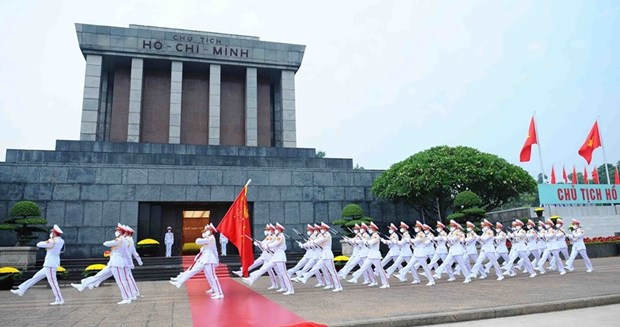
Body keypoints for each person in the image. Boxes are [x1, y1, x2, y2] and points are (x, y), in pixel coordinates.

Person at [11, 224, 65, 305]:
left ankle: (60, 299)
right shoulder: (61, 241)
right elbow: (61, 250)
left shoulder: (52, 241)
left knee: (53, 282)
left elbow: (39, 244)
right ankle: (21, 290)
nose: (51, 233)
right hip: (50, 264)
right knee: (35, 277)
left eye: (52, 232)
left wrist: (49, 239)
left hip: (50, 264)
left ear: (54, 233)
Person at [170, 224, 224, 299]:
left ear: (210, 231)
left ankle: (220, 293)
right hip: (204, 260)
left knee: (212, 277)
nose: (205, 231)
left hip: (209, 260)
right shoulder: (209, 238)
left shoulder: (211, 238)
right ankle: (179, 282)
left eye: (207, 229)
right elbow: (206, 249)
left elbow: (198, 241)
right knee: (193, 270)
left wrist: (216, 260)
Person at [243, 223, 295, 295]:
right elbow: (270, 244)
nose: (275, 230)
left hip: (280, 257)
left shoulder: (280, 236)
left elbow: (275, 244)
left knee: (283, 274)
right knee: (264, 268)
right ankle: (251, 279)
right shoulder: (277, 236)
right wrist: (262, 244)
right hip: (275, 256)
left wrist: (266, 245)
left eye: (276, 229)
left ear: (280, 230)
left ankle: (290, 289)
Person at [347, 222, 390, 289]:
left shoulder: (376, 236)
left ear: (373, 229)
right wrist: (363, 239)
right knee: (363, 267)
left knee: (380, 269)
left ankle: (386, 283)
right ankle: (355, 278)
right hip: (370, 254)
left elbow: (370, 243)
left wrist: (363, 239)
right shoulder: (373, 236)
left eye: (370, 228)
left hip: (375, 255)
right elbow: (367, 243)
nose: (369, 229)